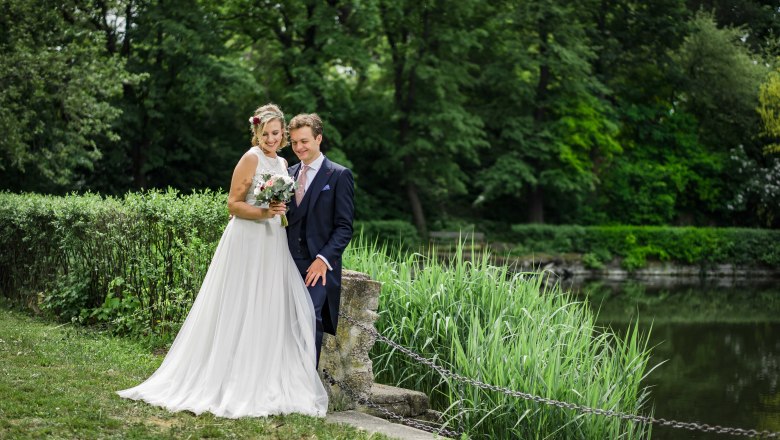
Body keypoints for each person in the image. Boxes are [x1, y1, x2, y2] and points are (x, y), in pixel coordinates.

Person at [117, 104, 328, 418]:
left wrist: (277, 213)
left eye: (276, 132)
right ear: (256, 132)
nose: (271, 138)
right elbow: (232, 205)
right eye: (265, 133)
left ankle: (263, 374)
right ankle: (227, 377)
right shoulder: (250, 158)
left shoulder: (284, 162)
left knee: (265, 306)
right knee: (239, 303)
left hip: (272, 243)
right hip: (247, 239)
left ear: (283, 132)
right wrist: (264, 213)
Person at [285, 113, 354, 365]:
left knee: (309, 317)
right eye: (294, 143)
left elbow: (344, 227)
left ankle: (305, 385)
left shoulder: (338, 175)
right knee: (281, 319)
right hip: (285, 261)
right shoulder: (286, 174)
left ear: (318, 138)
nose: (299, 147)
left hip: (318, 266)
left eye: (304, 141)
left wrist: (323, 260)